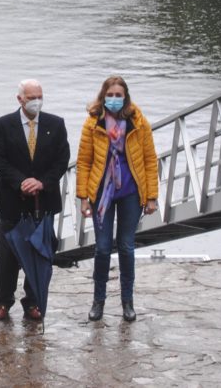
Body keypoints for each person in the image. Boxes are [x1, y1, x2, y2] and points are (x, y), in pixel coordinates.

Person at [75, 75, 159, 323]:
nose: (113, 99)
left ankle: (127, 302)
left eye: (118, 95)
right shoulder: (93, 123)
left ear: (126, 97)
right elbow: (84, 161)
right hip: (102, 193)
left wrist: (152, 196)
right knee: (102, 248)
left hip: (130, 192)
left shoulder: (138, 122)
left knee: (126, 246)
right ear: (103, 96)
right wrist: (83, 197)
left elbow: (149, 160)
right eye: (109, 95)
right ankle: (98, 301)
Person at [0, 79, 69, 322]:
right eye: (31, 97)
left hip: (43, 201)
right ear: (20, 99)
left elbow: (61, 160)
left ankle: (33, 301)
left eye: (39, 96)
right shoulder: (3, 125)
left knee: (40, 253)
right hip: (13, 199)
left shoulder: (55, 124)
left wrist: (42, 182)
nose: (36, 102)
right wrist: (21, 181)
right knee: (7, 255)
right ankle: (4, 301)